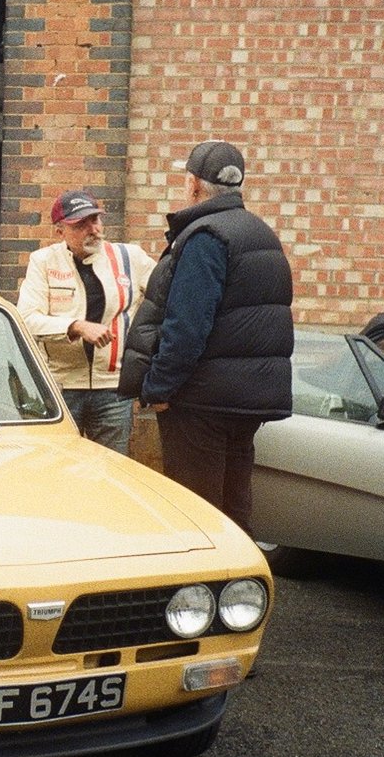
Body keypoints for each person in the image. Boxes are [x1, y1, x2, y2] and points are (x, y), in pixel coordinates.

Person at [118, 139, 293, 533]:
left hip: (200, 401)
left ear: (193, 185)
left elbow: (186, 328)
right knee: (233, 513)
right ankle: (239, 593)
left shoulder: (206, 236)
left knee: (197, 517)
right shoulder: (262, 234)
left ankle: (202, 594)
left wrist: (158, 389)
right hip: (247, 402)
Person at [16, 189, 155, 455]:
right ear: (60, 232)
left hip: (112, 387)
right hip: (61, 386)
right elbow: (27, 320)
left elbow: (167, 300)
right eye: (81, 224)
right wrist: (75, 326)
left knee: (111, 470)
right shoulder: (43, 262)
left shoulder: (130, 258)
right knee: (56, 468)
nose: (93, 229)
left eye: (96, 220)